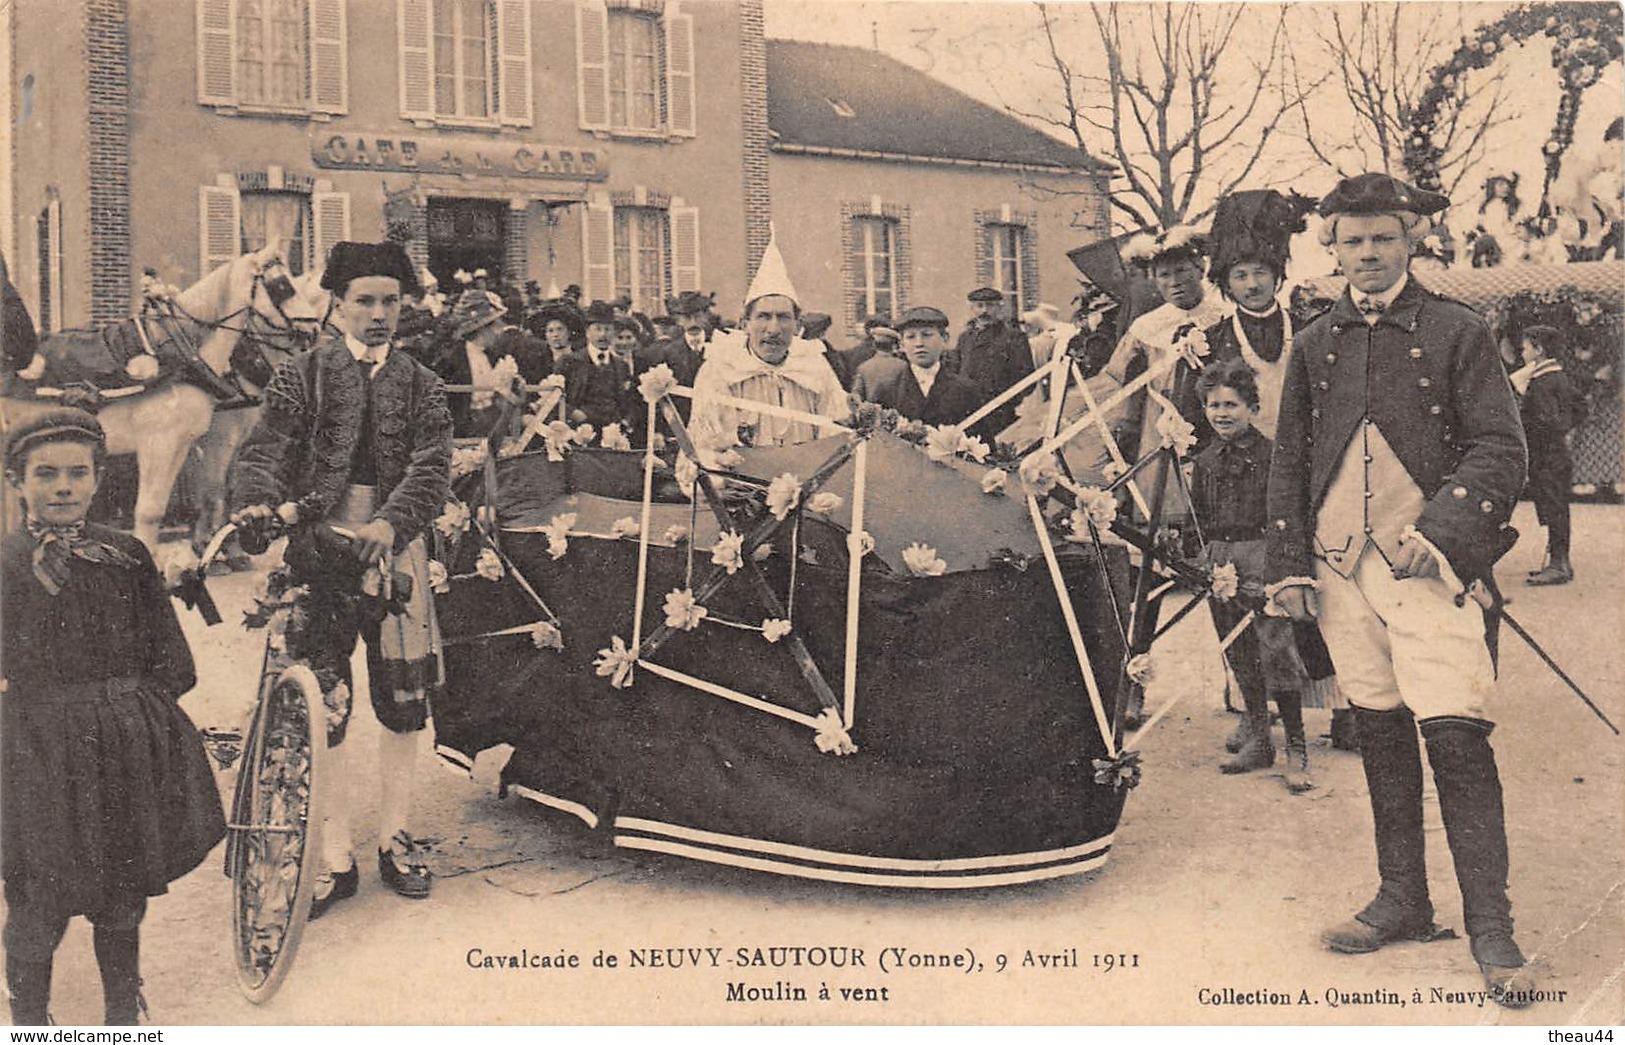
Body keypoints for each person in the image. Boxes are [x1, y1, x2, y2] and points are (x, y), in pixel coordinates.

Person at [1266, 173, 1535, 1007]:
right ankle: (1402, 899)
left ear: (1409, 240)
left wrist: (1445, 533)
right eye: (1352, 241)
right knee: (1378, 732)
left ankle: (1491, 925)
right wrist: (1288, 565)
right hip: (1340, 568)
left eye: (1382, 237)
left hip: (1427, 569)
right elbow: (1290, 459)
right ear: (1332, 248)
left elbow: (1499, 445)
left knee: (1454, 737)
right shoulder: (1313, 341)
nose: (1369, 254)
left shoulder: (1456, 329)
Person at [231, 240, 453, 919]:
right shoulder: (302, 376)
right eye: (365, 301)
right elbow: (265, 453)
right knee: (319, 702)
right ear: (337, 305)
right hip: (316, 554)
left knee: (401, 699)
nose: (379, 314)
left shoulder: (422, 382)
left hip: (396, 551)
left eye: (390, 301)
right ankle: (331, 853)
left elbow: (432, 464)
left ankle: (391, 834)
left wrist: (391, 524)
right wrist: (259, 505)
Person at [3, 409, 225, 1024]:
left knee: (121, 893)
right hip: (36, 753)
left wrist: (132, 712)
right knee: (37, 897)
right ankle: (30, 1020)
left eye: (78, 473)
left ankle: (122, 1016)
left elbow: (174, 661)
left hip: (121, 749)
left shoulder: (126, 555)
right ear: (16, 481)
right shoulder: (7, 563)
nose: (63, 488)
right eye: (45, 475)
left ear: (100, 480)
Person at [1199, 188, 1350, 749]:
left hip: (1310, 470)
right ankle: (1252, 711)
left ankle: (1344, 705)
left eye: (1261, 272)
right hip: (1246, 482)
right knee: (1249, 596)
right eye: (1240, 275)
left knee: (1325, 585)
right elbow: (1199, 417)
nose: (1253, 284)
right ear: (1225, 281)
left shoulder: (1311, 325)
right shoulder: (1210, 340)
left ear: (1278, 273)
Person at [1188, 360, 1312, 791]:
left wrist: (1279, 564)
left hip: (1263, 556)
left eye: (1232, 405)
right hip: (1220, 559)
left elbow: (1287, 512)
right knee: (1237, 649)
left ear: (1252, 407)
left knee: (1276, 649)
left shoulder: (1273, 455)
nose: (1222, 414)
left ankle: (1296, 745)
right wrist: (1203, 558)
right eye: (1213, 406)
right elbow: (1199, 516)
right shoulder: (1203, 461)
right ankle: (1259, 737)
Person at [689, 233, 848, 464]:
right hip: (740, 486)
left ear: (797, 325)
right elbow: (707, 443)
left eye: (783, 317)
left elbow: (835, 433)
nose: (773, 329)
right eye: (763, 317)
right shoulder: (721, 370)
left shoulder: (815, 369)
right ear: (745, 324)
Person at [1511, 324, 1586, 586]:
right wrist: (1565, 429)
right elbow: (1580, 406)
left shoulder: (1542, 382)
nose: (1522, 352)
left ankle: (1559, 565)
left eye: (1525, 348)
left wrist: (1525, 427)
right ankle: (1560, 562)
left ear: (1538, 350)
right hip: (1556, 453)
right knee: (1555, 506)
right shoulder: (1558, 376)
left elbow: (1546, 420)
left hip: (1546, 455)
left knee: (1554, 508)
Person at [859, 306, 983, 426]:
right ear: (902, 345)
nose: (919, 343)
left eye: (927, 335)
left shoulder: (966, 390)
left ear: (945, 339)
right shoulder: (886, 390)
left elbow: (981, 443)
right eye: (911, 337)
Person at [945, 287, 1033, 437]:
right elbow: (955, 370)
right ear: (972, 308)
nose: (984, 310)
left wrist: (1009, 401)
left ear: (999, 307)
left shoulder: (1014, 337)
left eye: (990, 305)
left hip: (1000, 411)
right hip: (969, 409)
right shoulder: (965, 338)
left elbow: (1027, 376)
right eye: (979, 306)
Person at [559, 301, 636, 431]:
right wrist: (573, 413)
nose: (603, 335)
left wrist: (626, 421)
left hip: (613, 431)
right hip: (579, 430)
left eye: (607, 329)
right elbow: (555, 397)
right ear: (587, 332)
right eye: (598, 329)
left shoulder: (621, 365)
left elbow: (628, 402)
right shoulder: (570, 361)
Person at [850, 322, 904, 404]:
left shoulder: (863, 367)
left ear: (874, 345)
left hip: (872, 414)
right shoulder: (903, 366)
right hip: (898, 414)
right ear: (893, 345)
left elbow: (855, 397)